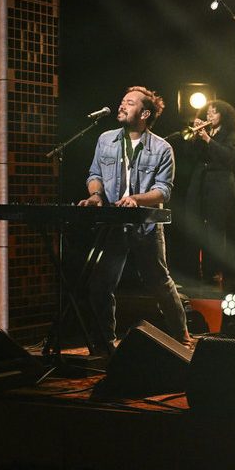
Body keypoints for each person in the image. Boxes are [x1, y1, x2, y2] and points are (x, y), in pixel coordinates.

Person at [79, 86, 191, 351]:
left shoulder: (162, 148)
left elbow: (164, 190)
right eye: (122, 101)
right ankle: (105, 344)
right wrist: (95, 195)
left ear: (145, 113)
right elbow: (95, 174)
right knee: (101, 283)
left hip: (146, 225)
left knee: (159, 282)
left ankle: (182, 337)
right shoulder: (106, 139)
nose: (122, 106)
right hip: (113, 224)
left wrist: (136, 199)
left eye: (129, 103)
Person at [185, 99, 235, 285]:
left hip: (220, 185)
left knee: (215, 229)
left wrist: (208, 139)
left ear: (223, 116)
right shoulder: (204, 132)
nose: (209, 116)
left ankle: (213, 270)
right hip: (200, 182)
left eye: (214, 112)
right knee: (196, 225)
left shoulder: (230, 135)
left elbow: (228, 157)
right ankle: (193, 269)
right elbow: (191, 155)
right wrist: (195, 137)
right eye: (207, 112)